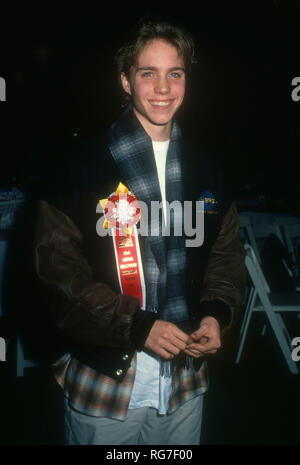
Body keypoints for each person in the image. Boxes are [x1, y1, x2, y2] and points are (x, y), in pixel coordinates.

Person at [33, 17, 246, 445]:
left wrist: (215, 313)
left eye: (175, 73)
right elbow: (58, 277)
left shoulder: (207, 167)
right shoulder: (77, 168)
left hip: (184, 379)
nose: (163, 88)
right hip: (107, 382)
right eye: (148, 73)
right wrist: (137, 325)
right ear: (126, 81)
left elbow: (225, 255)